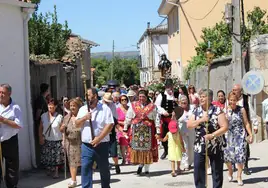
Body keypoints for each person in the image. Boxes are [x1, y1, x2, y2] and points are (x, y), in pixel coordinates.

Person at [187, 89, 228, 188]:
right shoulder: (196, 110)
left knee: (217, 172)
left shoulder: (217, 110)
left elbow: (225, 127)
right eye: (200, 96)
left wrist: (213, 135)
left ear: (210, 98)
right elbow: (189, 125)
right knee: (198, 170)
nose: (201, 98)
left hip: (215, 144)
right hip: (200, 144)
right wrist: (201, 119)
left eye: (204, 96)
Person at [75, 88, 114, 188]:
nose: (86, 97)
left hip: (102, 145)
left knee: (104, 169)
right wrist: (84, 118)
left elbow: (109, 125)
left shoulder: (105, 109)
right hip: (87, 145)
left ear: (95, 96)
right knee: (86, 168)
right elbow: (76, 124)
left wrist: (99, 138)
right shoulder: (83, 109)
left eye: (88, 95)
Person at [123, 89, 161, 175]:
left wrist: (158, 131)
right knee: (138, 149)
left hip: (148, 130)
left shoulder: (152, 106)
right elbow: (128, 117)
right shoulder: (134, 105)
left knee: (148, 149)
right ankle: (140, 164)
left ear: (146, 97)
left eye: (143, 97)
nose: (141, 98)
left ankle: (146, 168)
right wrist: (125, 128)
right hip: (136, 130)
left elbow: (157, 119)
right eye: (140, 96)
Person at [224, 92, 253, 186]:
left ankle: (239, 176)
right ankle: (230, 171)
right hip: (229, 136)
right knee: (228, 158)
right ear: (228, 100)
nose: (232, 102)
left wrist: (250, 134)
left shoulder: (242, 110)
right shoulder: (225, 110)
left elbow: (246, 123)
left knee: (240, 157)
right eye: (230, 100)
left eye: (234, 100)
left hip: (240, 136)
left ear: (237, 101)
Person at [232, 84, 258, 175]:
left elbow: (251, 112)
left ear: (240, 91)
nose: (233, 91)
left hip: (244, 126)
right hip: (233, 127)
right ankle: (235, 164)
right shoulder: (231, 98)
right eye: (233, 90)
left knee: (245, 146)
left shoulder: (246, 99)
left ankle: (245, 165)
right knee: (234, 146)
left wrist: (255, 125)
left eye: (235, 90)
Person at [0, 84, 23, 188]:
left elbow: (18, 125)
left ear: (9, 94)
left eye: (3, 93)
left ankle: (12, 186)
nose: (1, 95)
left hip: (10, 141)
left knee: (12, 168)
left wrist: (3, 120)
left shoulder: (15, 108)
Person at [60, 98, 83, 188]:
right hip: (71, 143)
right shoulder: (66, 117)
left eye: (74, 105)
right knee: (72, 162)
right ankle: (73, 180)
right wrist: (62, 128)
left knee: (85, 161)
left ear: (78, 107)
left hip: (82, 142)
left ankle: (87, 178)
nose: (72, 107)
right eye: (71, 106)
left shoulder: (82, 116)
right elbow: (61, 130)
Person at [39, 98, 64, 178]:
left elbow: (62, 129)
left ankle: (56, 172)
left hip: (57, 140)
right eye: (49, 106)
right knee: (47, 156)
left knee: (56, 157)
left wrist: (63, 138)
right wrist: (40, 137)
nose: (50, 107)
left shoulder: (60, 117)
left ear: (56, 106)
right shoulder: (43, 116)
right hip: (47, 139)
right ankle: (49, 169)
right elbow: (40, 128)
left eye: (52, 106)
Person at [155, 79, 178, 159]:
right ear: (165, 87)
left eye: (171, 86)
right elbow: (157, 106)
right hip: (165, 119)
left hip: (174, 119)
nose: (169, 88)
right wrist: (163, 111)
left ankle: (175, 151)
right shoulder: (161, 95)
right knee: (164, 135)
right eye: (168, 86)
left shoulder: (176, 94)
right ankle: (166, 150)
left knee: (175, 135)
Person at [102, 92, 121, 174]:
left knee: (114, 152)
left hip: (111, 129)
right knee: (103, 152)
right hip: (102, 131)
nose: (107, 103)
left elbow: (115, 119)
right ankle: (105, 167)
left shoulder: (112, 106)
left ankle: (116, 165)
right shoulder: (99, 105)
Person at [178, 95, 195, 171]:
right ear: (180, 102)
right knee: (185, 147)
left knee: (192, 146)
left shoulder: (192, 108)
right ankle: (186, 162)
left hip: (192, 130)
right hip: (183, 130)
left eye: (185, 100)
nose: (184, 102)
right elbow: (176, 119)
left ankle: (191, 161)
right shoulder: (178, 110)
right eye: (182, 101)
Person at [116, 95, 130, 164]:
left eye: (125, 99)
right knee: (122, 144)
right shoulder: (118, 110)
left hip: (129, 128)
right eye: (122, 100)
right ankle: (124, 159)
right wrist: (123, 123)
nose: (124, 101)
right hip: (121, 128)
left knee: (128, 143)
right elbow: (116, 120)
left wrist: (128, 123)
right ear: (120, 101)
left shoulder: (130, 109)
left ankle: (128, 158)